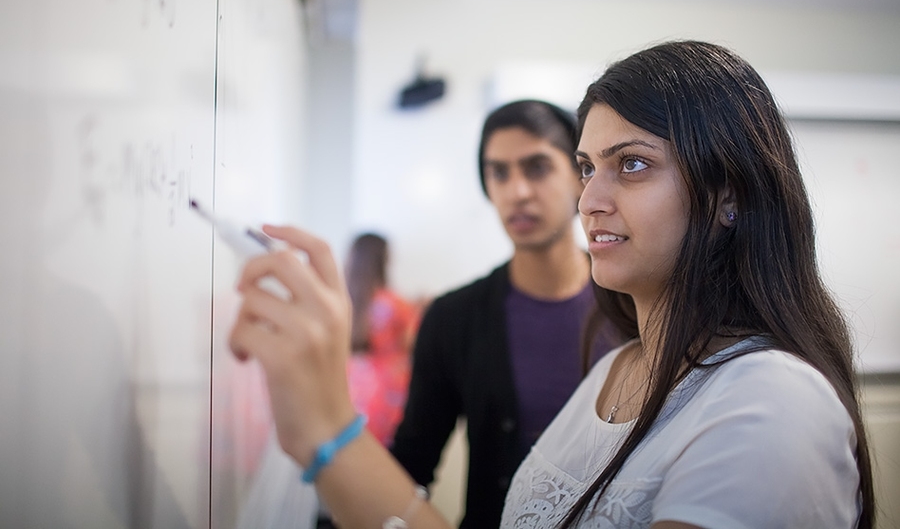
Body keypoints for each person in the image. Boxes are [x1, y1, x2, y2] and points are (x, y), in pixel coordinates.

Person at [227, 40, 874, 529]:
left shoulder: (771, 401)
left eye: (633, 165)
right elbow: (414, 469)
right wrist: (322, 431)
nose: (590, 197)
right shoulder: (615, 368)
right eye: (590, 167)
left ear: (728, 194)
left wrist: (331, 428)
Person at [388, 99, 615, 527]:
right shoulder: (453, 318)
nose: (517, 192)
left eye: (537, 167)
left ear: (579, 178)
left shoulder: (632, 305)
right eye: (499, 172)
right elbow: (411, 466)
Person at [345, 232, 421, 447]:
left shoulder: (346, 302)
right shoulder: (394, 304)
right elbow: (414, 342)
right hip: (389, 397)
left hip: (354, 392)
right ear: (383, 258)